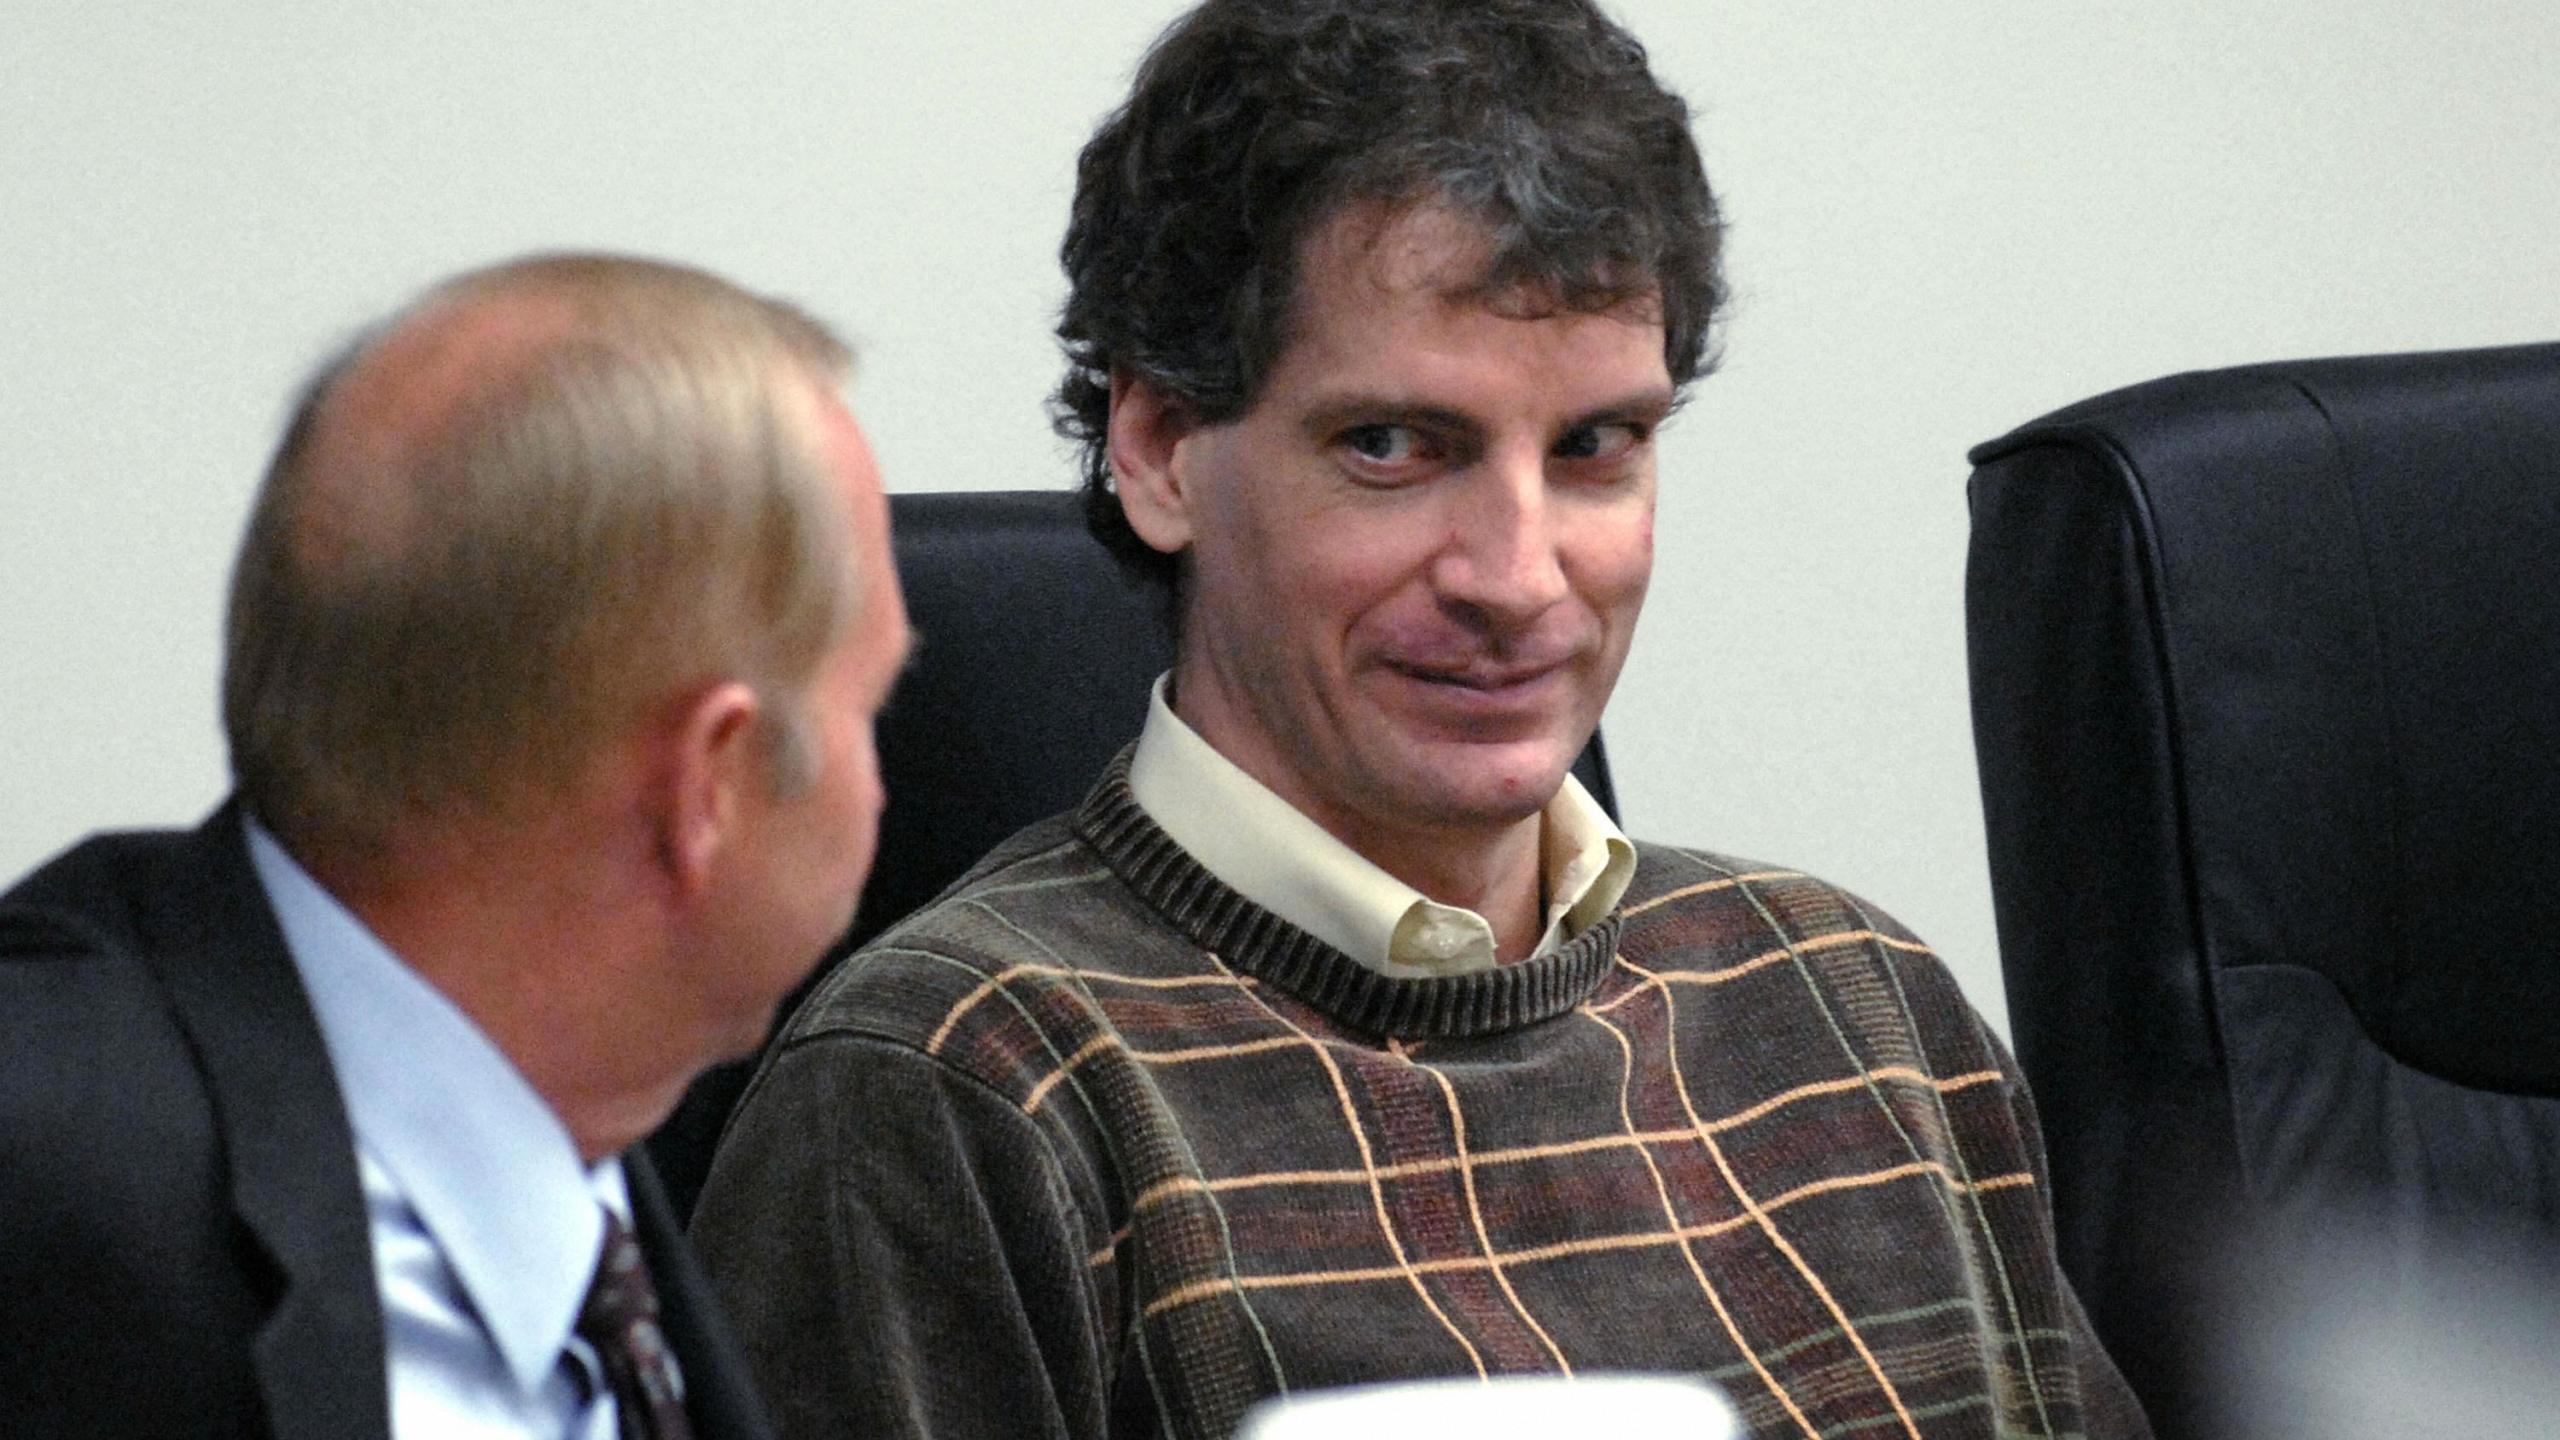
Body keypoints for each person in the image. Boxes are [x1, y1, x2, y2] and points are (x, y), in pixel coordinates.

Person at [690, 3, 2148, 1438]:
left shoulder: (1864, 1002)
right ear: (1157, 451)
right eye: (1392, 447)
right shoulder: (958, 1093)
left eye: (1595, 449)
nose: (1519, 580)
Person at [0, 253, 912, 1440]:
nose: (885, 783)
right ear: (710, 786)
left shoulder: (579, 1126)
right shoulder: (51, 1190)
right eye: (872, 704)